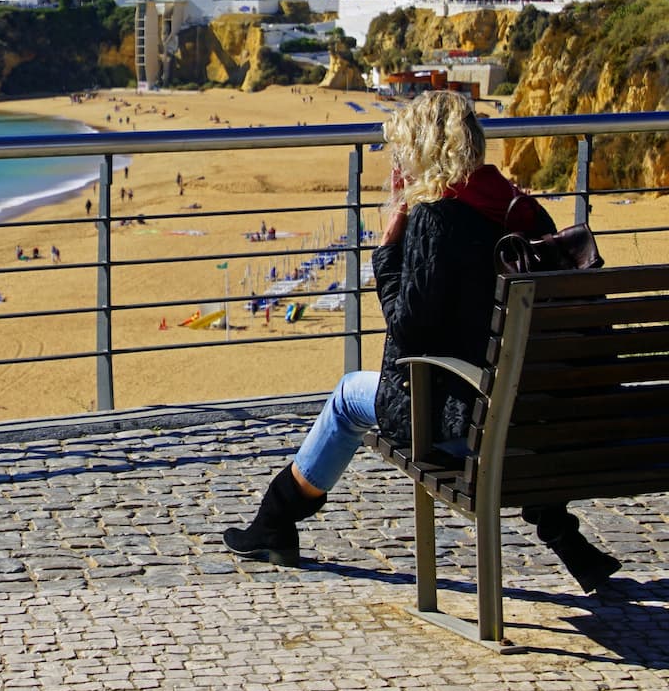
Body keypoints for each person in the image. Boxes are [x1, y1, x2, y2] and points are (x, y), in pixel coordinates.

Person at [222, 90, 621, 594]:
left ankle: (274, 521)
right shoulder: (525, 212)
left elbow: (409, 331)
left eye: (402, 151)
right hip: (540, 425)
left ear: (423, 152)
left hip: (470, 427)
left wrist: (388, 251)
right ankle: (565, 538)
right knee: (505, 400)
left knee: (348, 396)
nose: (397, 164)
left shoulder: (436, 220)